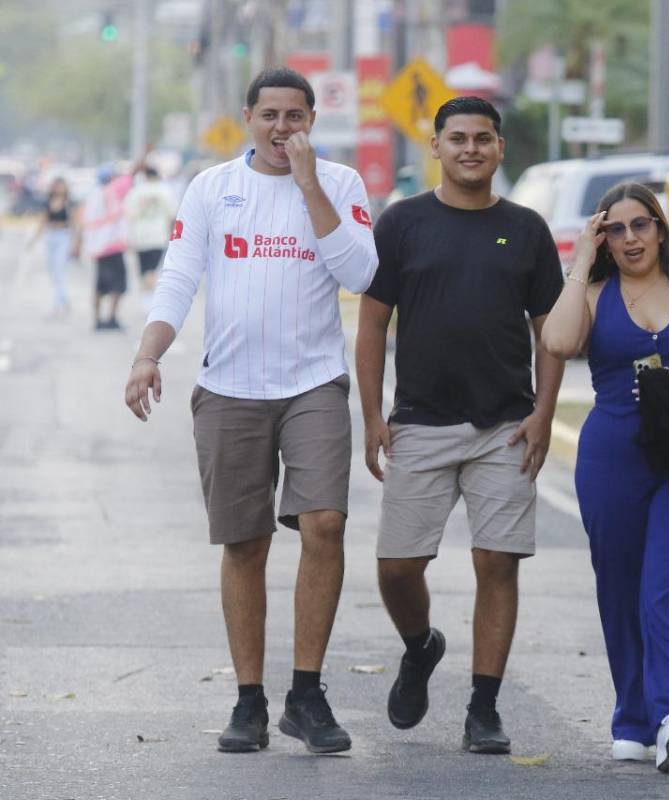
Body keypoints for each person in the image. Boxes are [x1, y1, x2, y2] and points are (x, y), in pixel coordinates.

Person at [122, 67, 379, 755]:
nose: (281, 129)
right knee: (245, 542)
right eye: (269, 116)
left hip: (314, 383)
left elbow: (360, 274)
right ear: (248, 118)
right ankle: (249, 699)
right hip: (231, 387)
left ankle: (306, 691)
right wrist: (149, 354)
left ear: (310, 122)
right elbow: (178, 276)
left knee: (324, 522)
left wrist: (309, 186)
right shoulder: (212, 188)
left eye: (295, 117)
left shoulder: (341, 184)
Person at [356, 96, 564, 755]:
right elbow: (370, 326)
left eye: (482, 138)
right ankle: (421, 647)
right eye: (457, 138)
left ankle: (484, 708)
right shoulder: (401, 224)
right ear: (437, 149)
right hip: (419, 421)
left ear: (501, 148)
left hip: (504, 423)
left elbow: (550, 337)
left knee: (497, 562)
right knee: (396, 566)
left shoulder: (528, 229)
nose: (470, 148)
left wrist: (544, 414)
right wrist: (371, 415)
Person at [541, 182, 669, 772]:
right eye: (616, 229)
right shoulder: (596, 292)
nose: (630, 238)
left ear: (660, 228)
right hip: (611, 458)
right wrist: (580, 260)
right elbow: (557, 341)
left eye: (641, 225)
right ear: (603, 237)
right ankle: (632, 717)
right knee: (620, 588)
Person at [78, 154, 145, 330]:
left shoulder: (92, 197)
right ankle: (111, 318)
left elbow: (82, 224)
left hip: (98, 249)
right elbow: (132, 174)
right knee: (118, 285)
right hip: (113, 246)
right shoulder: (113, 191)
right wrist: (145, 154)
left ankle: (98, 320)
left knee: (100, 286)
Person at [123, 165, 177, 297]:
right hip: (158, 236)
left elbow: (128, 213)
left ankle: (146, 299)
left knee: (143, 270)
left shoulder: (136, 191)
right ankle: (150, 299)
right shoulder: (165, 190)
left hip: (140, 236)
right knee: (153, 270)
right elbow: (173, 214)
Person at [27, 176, 76, 317]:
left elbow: (74, 223)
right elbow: (43, 222)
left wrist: (75, 243)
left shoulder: (69, 203)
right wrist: (34, 240)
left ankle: (58, 304)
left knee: (60, 269)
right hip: (51, 237)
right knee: (53, 270)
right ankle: (64, 299)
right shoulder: (48, 202)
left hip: (64, 236)